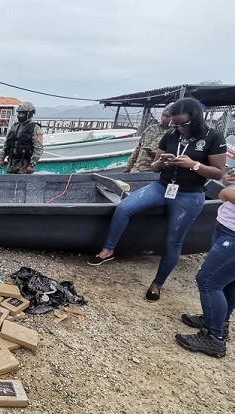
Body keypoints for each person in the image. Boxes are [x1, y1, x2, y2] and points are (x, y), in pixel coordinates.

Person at [87, 98, 226, 302]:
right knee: (124, 207)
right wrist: (160, 162)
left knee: (173, 241)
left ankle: (157, 283)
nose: (177, 127)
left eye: (182, 124)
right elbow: (154, 167)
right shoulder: (171, 135)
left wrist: (193, 165)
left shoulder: (213, 137)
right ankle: (108, 250)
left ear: (194, 119)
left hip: (189, 193)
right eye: (174, 124)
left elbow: (217, 173)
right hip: (163, 186)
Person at [175, 170, 235, 358]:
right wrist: (228, 182)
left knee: (208, 280)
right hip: (227, 227)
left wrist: (226, 192)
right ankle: (218, 322)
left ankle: (214, 337)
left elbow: (226, 194)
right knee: (228, 280)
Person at [0, 101, 44, 174]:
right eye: (18, 113)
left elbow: (38, 149)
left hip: (25, 165)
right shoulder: (15, 126)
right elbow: (7, 144)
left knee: (23, 184)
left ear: (29, 114)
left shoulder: (35, 129)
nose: (19, 116)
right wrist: (2, 158)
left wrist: (31, 165)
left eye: (22, 114)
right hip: (11, 163)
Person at [124, 105, 173, 172]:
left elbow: (174, 156)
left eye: (167, 116)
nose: (163, 118)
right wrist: (128, 168)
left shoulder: (174, 134)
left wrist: (158, 154)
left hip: (152, 172)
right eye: (162, 115)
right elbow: (138, 148)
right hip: (136, 169)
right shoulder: (151, 128)